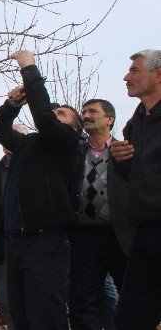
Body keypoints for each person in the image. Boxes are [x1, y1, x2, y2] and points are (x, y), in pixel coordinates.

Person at [0, 50, 82, 330]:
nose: (55, 114)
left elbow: (43, 117)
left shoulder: (66, 143)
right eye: (54, 111)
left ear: (75, 127)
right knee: (22, 316)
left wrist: (29, 70)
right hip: (16, 241)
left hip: (46, 242)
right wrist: (11, 105)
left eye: (62, 113)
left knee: (46, 317)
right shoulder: (29, 144)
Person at [68, 98, 134, 330]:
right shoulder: (75, 154)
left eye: (93, 111)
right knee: (83, 302)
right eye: (84, 111)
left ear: (110, 119)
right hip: (84, 237)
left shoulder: (125, 150)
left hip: (120, 235)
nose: (86, 115)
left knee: (132, 298)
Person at [111, 49, 161, 330]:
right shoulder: (136, 123)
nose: (126, 77)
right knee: (130, 319)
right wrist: (122, 161)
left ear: (158, 74)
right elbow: (135, 176)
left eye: (134, 71)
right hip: (145, 234)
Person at [0, 123, 28, 330]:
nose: (11, 140)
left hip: (33, 241)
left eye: (17, 135)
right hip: (4, 244)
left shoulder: (35, 165)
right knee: (6, 298)